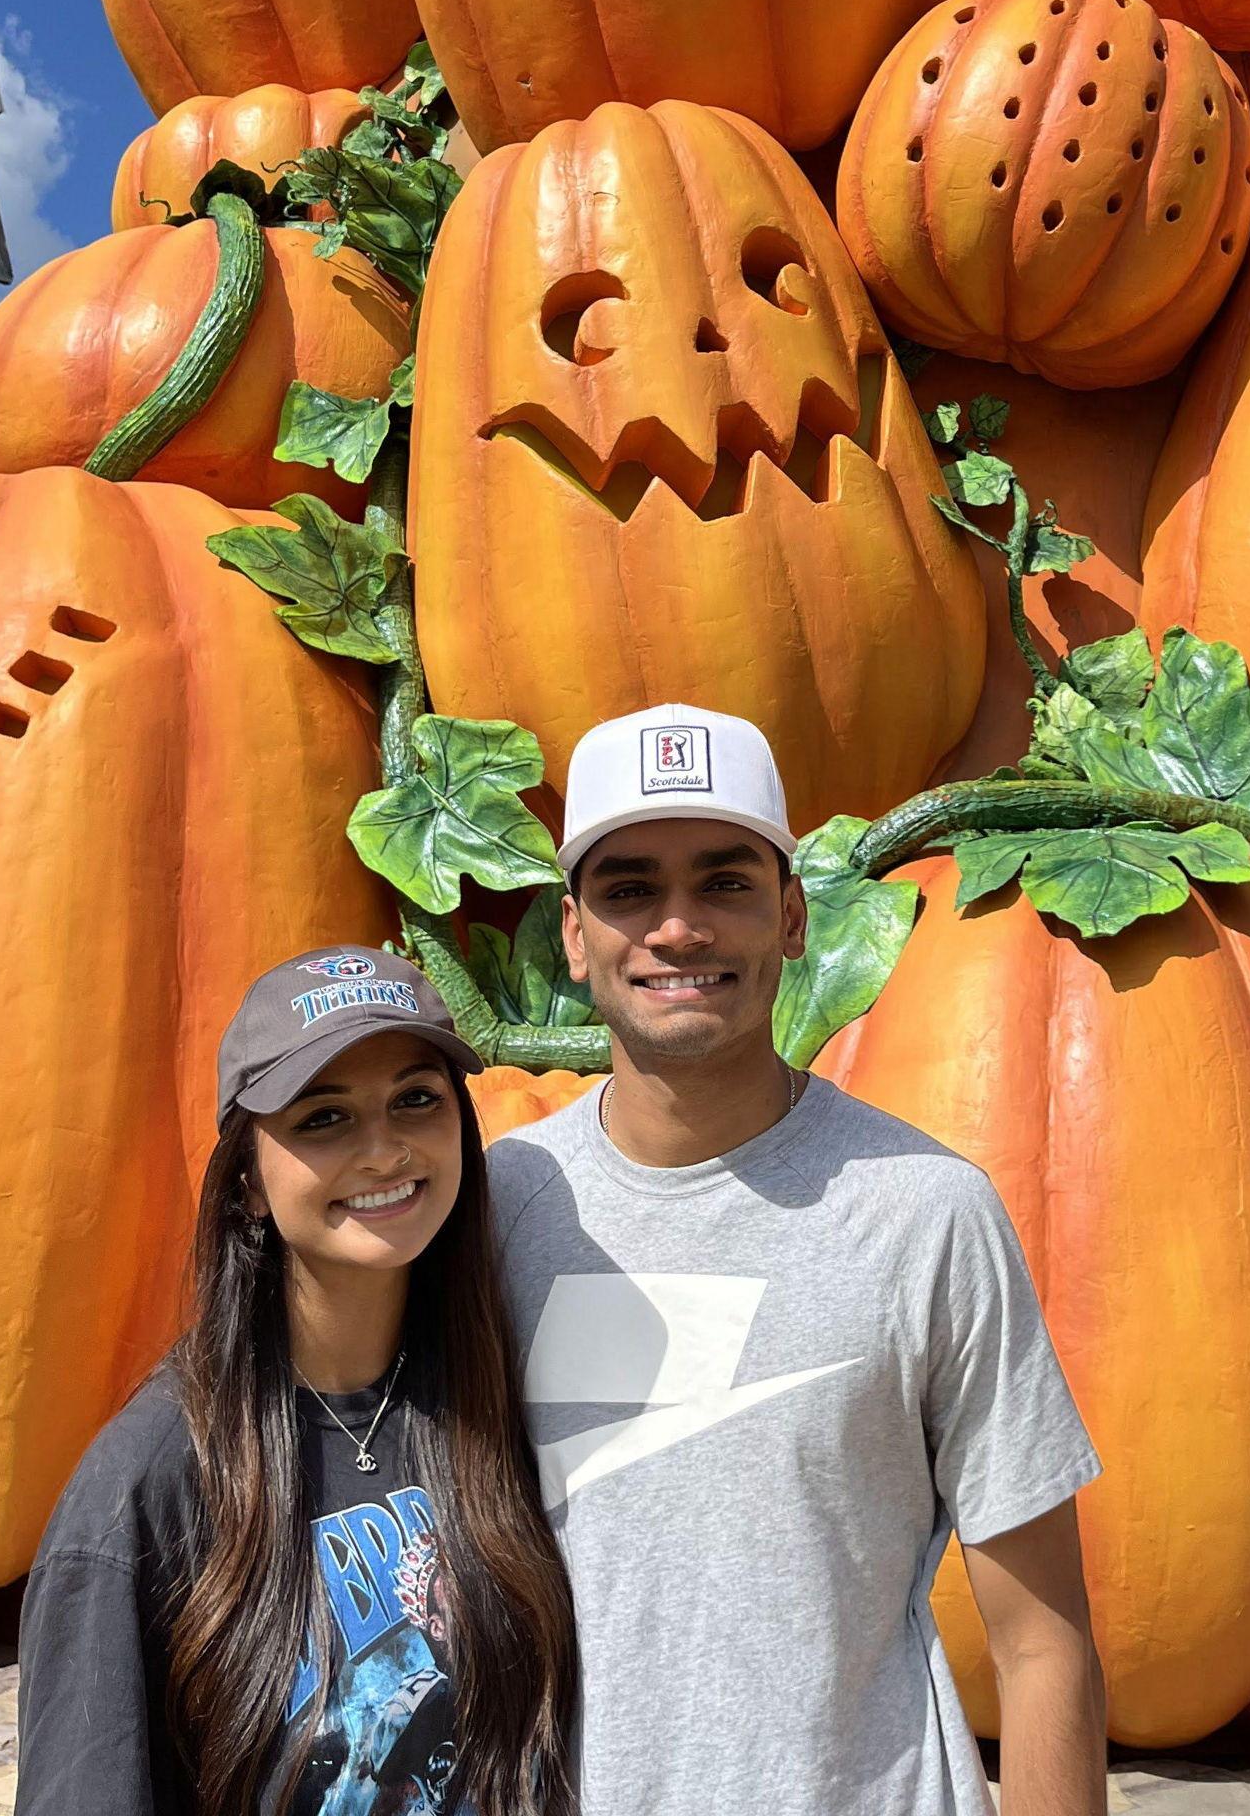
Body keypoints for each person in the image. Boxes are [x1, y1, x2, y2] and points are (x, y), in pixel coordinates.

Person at [489, 703, 1108, 1816]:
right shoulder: (497, 1209)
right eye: (628, 889)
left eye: (723, 883)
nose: (677, 929)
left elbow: (1041, 1643)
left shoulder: (927, 1214)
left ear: (789, 916)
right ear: (574, 935)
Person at [15, 949, 576, 1816]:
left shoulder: (496, 1408)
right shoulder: (149, 1486)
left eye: (416, 1100)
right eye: (324, 1118)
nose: (385, 1149)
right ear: (246, 1178)